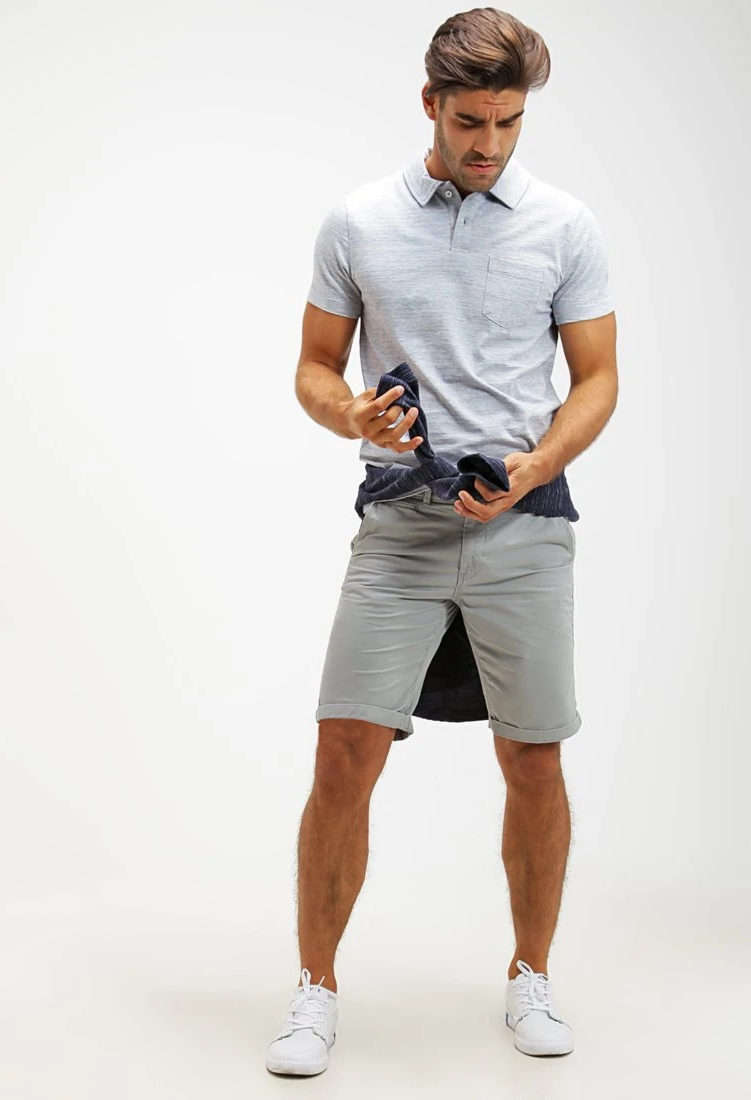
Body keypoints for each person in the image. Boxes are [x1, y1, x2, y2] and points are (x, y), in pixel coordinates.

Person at [266, 6, 617, 1076]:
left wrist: (536, 466)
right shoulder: (359, 221)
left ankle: (531, 974)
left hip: (524, 524)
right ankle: (315, 989)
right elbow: (314, 367)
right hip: (400, 526)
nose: (489, 143)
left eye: (508, 122)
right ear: (431, 103)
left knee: (535, 756)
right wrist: (352, 415)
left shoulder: (565, 226)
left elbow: (597, 380)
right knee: (342, 753)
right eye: (470, 121)